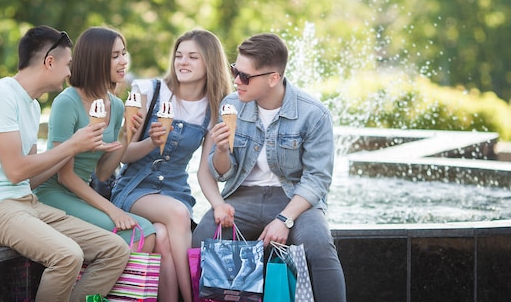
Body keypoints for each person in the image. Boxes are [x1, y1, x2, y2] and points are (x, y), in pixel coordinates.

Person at [0, 25, 130, 302]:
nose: (70, 72)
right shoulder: (0, 94)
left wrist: (76, 150)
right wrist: (72, 145)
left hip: (27, 203)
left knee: (115, 249)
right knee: (67, 255)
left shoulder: (32, 105)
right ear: (49, 62)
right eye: (68, 65)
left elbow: (31, 179)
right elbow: (15, 171)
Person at [191, 33, 347, 302]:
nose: (237, 81)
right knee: (204, 236)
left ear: (273, 78)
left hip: (294, 199)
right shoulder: (231, 105)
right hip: (244, 197)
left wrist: (285, 219)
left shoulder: (314, 113)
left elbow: (317, 180)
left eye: (245, 76)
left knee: (319, 246)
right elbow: (222, 173)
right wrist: (221, 149)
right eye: (234, 71)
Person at [111, 29, 232, 302]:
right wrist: (152, 143)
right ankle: (192, 298)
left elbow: (205, 171)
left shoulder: (214, 108)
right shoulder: (148, 91)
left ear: (209, 63)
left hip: (175, 190)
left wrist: (218, 204)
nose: (182, 62)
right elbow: (122, 153)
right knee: (177, 215)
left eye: (192, 57)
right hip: (134, 187)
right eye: (178, 56)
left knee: (163, 237)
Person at [34, 27, 156, 250]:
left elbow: (102, 172)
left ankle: (117, 286)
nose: (123, 62)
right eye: (115, 56)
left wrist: (126, 136)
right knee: (142, 232)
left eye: (124, 53)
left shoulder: (117, 106)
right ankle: (113, 286)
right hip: (54, 194)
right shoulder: (67, 103)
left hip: (83, 194)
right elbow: (65, 176)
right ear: (96, 60)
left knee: (145, 230)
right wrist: (112, 210)